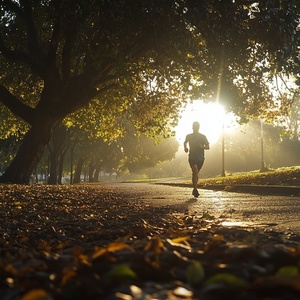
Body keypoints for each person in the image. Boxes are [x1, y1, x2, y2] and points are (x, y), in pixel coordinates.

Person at [184, 121, 210, 197]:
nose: (195, 128)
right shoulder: (189, 136)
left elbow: (208, 147)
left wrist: (201, 147)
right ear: (192, 127)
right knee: (195, 171)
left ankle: (194, 188)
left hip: (200, 158)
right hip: (192, 157)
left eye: (197, 126)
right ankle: (195, 189)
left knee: (195, 174)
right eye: (194, 126)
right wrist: (185, 148)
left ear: (199, 127)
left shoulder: (203, 137)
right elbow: (185, 142)